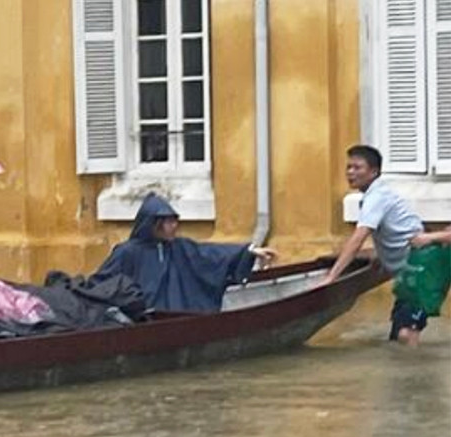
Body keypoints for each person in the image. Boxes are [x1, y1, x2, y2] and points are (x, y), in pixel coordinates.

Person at [317, 145, 429, 345]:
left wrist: (332, 277)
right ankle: (410, 374)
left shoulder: (376, 198)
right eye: (348, 167)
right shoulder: (374, 196)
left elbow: (358, 239)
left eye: (357, 168)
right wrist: (379, 255)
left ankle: (416, 374)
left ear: (374, 171)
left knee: (405, 335)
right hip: (411, 275)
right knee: (398, 338)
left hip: (422, 271)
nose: (350, 173)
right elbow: (393, 231)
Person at [95, 193, 277, 313]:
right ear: (154, 223)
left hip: (175, 317)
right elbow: (105, 283)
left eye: (175, 221)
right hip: (143, 319)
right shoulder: (128, 252)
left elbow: (212, 254)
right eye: (169, 222)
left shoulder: (180, 248)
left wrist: (250, 251)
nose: (174, 227)